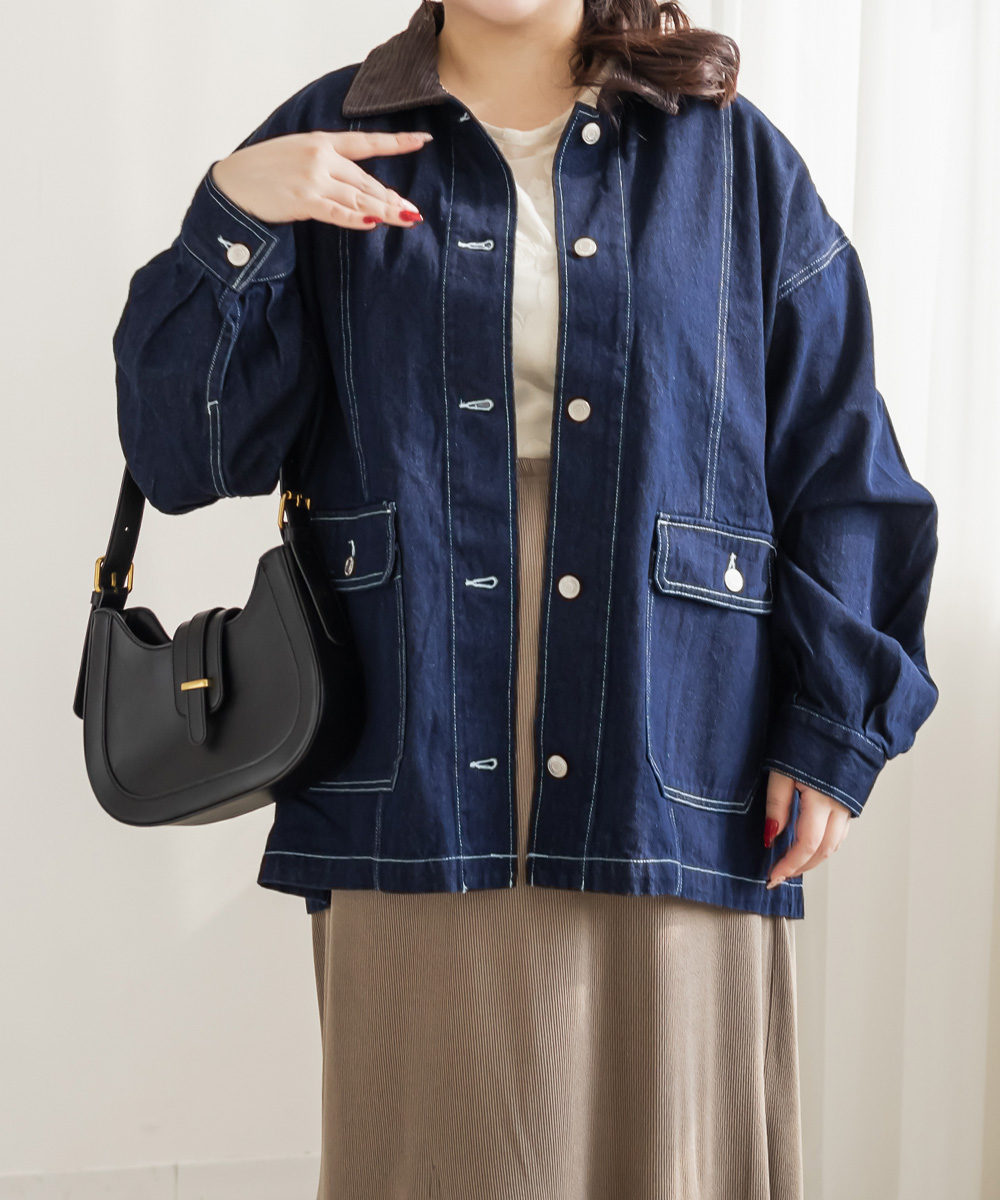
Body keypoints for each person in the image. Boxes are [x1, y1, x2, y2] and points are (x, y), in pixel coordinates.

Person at [113, 1, 939, 1195]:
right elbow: (184, 459)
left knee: (676, 1152)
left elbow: (839, 457)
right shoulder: (323, 137)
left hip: (673, 744)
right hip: (415, 752)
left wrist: (833, 727)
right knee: (434, 1151)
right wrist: (234, 213)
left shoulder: (731, 158)